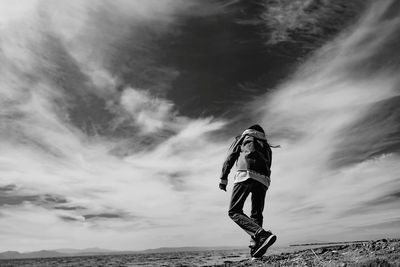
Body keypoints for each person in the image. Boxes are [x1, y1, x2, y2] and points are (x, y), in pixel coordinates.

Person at [219, 124, 277, 259]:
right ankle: (256, 252)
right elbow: (269, 165)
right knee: (256, 214)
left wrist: (223, 178)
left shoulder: (243, 138)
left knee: (234, 211)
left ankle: (262, 235)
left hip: (246, 174)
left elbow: (230, 156)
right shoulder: (267, 147)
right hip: (264, 180)